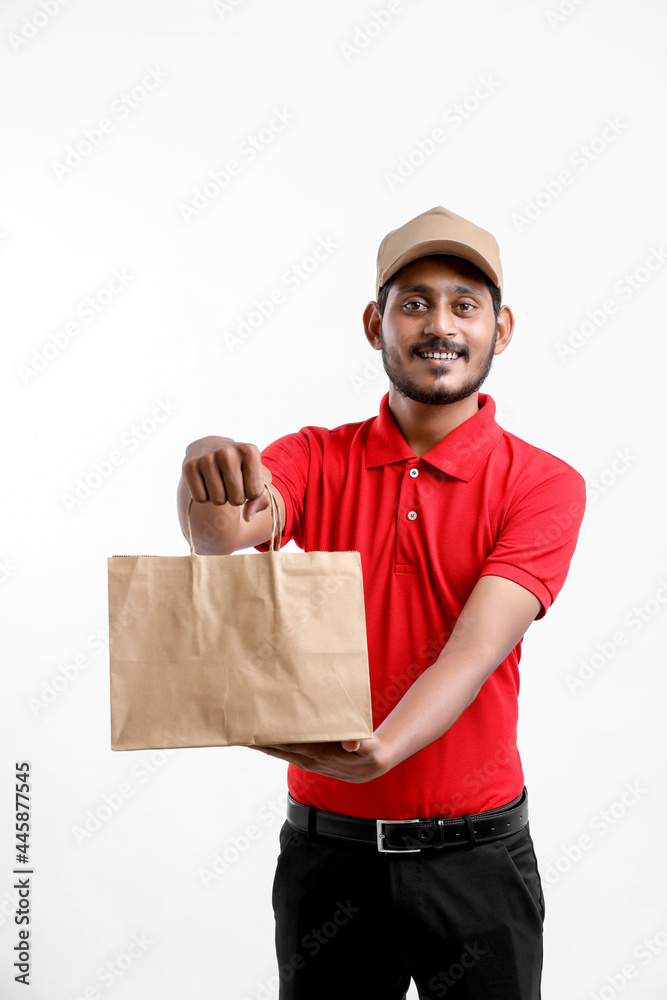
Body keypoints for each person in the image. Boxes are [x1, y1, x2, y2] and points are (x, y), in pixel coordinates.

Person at [177, 205, 586, 999]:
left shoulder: (543, 484)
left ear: (500, 329)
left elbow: (473, 650)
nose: (440, 325)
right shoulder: (315, 457)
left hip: (477, 866)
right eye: (414, 303)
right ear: (376, 323)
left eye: (464, 305)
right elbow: (223, 538)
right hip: (327, 863)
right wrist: (199, 467)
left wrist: (382, 751)